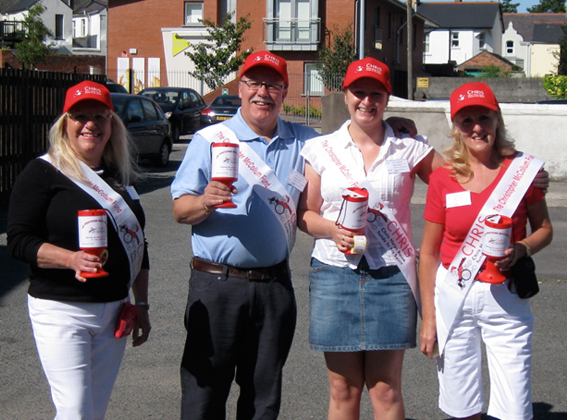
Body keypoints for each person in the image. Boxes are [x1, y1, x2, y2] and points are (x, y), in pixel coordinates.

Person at [297, 57, 444, 420]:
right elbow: (306, 214)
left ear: (387, 97)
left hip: (392, 276)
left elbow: (456, 182)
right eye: (358, 92)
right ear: (344, 95)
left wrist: (512, 170)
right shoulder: (320, 149)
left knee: (386, 388)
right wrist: (332, 230)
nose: (366, 100)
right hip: (333, 274)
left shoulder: (409, 147)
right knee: (342, 389)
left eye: (375, 93)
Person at [7, 80, 151, 420]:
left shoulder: (120, 177)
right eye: (80, 116)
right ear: (65, 124)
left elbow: (139, 245)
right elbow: (18, 241)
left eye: (100, 117)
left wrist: (141, 303)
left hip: (114, 311)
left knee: (93, 412)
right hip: (60, 310)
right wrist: (69, 259)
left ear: (111, 125)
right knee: (74, 410)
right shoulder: (42, 172)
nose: (90, 125)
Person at [418, 82, 553, 420]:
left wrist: (521, 248)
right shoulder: (443, 178)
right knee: (460, 405)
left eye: (484, 117)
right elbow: (429, 253)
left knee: (514, 407)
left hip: (505, 295)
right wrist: (430, 319)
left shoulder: (524, 173)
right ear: (456, 127)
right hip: (455, 294)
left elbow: (546, 230)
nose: (477, 127)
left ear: (497, 119)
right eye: (467, 121)